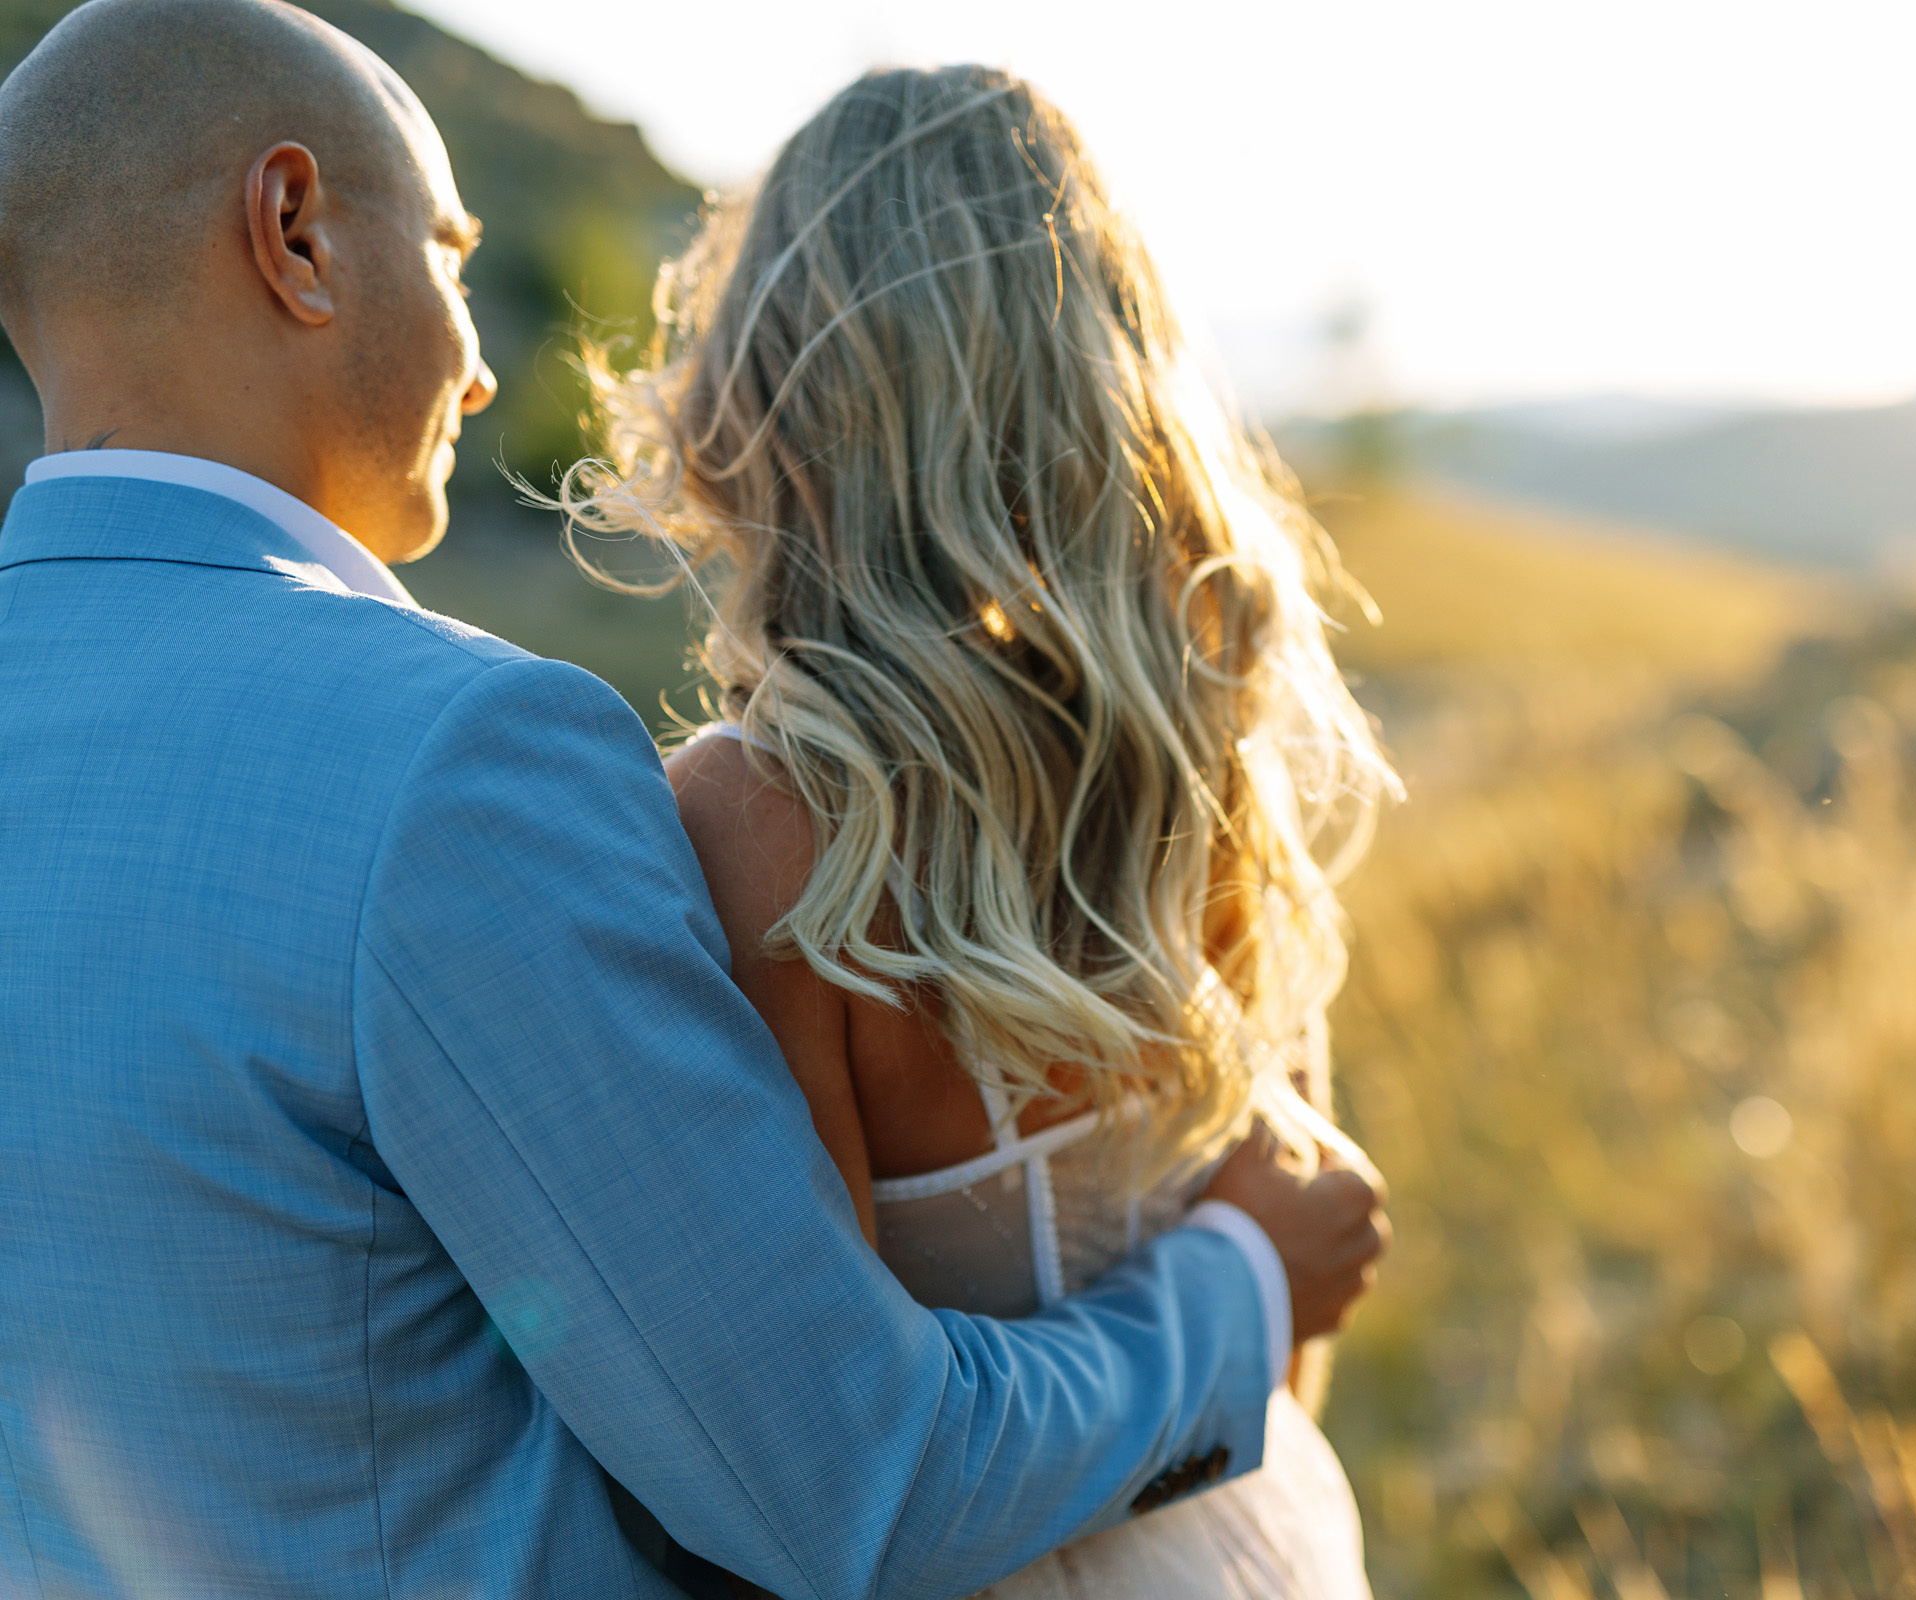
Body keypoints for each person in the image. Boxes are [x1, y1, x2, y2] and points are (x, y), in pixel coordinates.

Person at [0, 3, 1388, 1596]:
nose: (476, 362)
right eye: (454, 256)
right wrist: (1245, 1290)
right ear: (295, 231)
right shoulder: (453, 759)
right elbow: (827, 1488)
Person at [564, 66, 1402, 1597]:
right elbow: (1292, 1297)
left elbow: (797, 1465)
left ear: (772, 391)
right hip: (1255, 1545)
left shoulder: (761, 824)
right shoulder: (1204, 719)